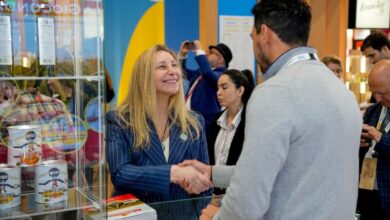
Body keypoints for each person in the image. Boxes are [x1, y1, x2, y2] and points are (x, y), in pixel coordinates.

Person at [182, 1, 362, 219]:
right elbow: (291, 169)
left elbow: (248, 197)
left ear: (264, 34)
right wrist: (212, 173)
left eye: (252, 37)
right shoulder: (342, 92)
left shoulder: (275, 92)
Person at [106, 45, 212, 204]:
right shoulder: (120, 121)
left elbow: (205, 182)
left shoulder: (194, 123)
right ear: (144, 76)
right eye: (162, 66)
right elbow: (120, 174)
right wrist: (172, 173)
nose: (173, 71)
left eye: (174, 65)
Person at [207, 69, 254, 195]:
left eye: (224, 87)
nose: (218, 93)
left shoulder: (251, 121)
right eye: (218, 88)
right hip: (214, 194)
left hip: (239, 195)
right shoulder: (217, 119)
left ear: (240, 90)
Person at [357, 60, 390, 220]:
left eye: (382, 93)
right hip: (368, 189)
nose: (377, 98)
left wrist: (380, 138)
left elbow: (380, 140)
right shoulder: (373, 110)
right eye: (374, 92)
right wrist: (360, 143)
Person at [179, 40, 233, 136]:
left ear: (220, 59)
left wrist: (199, 51)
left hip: (204, 124)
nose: (207, 54)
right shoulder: (202, 72)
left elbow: (209, 75)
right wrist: (183, 55)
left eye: (211, 53)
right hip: (190, 120)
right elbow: (183, 73)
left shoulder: (223, 75)